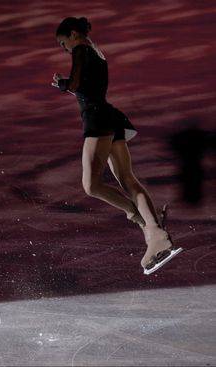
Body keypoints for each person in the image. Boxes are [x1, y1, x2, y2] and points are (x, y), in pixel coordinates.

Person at [52, 16, 182, 275]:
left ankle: (141, 218)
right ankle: (156, 234)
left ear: (73, 34)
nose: (63, 48)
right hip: (110, 116)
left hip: (97, 118)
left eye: (62, 42)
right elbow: (88, 87)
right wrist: (71, 87)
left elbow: (77, 85)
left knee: (91, 185)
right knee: (128, 179)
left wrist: (62, 84)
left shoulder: (80, 49)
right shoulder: (97, 52)